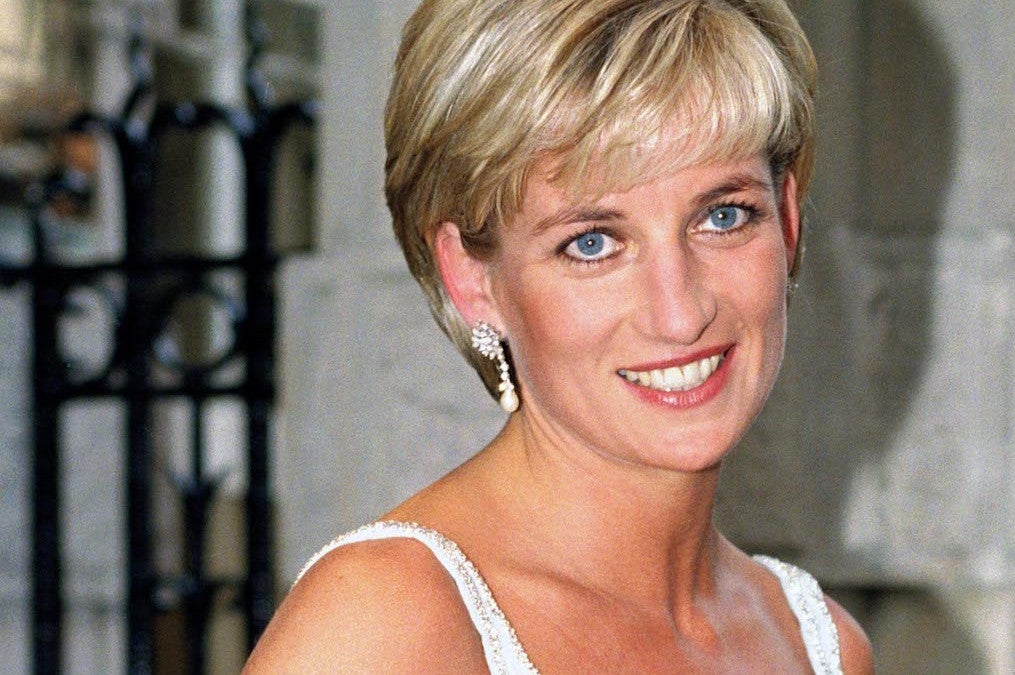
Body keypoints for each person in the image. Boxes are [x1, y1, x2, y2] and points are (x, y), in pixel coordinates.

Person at [245, 0, 873, 672]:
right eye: (592, 242)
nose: (680, 312)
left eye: (723, 215)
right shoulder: (384, 626)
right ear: (471, 277)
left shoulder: (819, 643)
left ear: (787, 220)